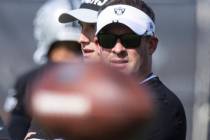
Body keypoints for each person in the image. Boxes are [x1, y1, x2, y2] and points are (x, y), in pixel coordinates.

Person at [94, 0, 187, 140]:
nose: (118, 49)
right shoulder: (93, 97)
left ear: (151, 45)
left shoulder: (160, 109)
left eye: (130, 39)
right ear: (98, 46)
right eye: (107, 39)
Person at [4, 0, 82, 139]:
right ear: (49, 48)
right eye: (64, 48)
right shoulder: (29, 84)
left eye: (77, 49)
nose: (71, 58)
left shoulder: (98, 84)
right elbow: (15, 130)